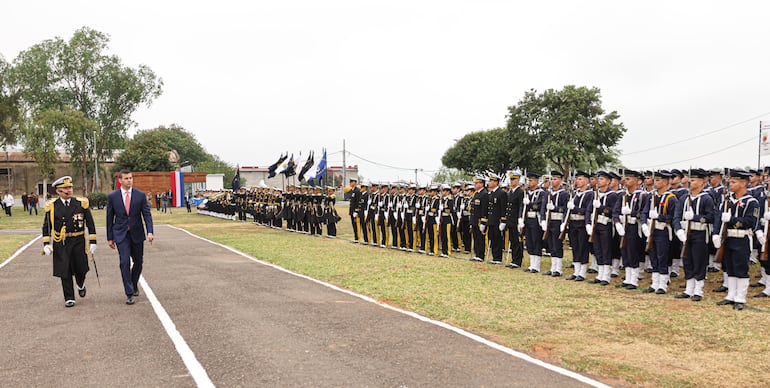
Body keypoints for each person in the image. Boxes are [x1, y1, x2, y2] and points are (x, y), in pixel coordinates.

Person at [41, 176, 97, 307]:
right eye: (65, 188)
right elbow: (46, 226)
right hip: (61, 242)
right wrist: (46, 244)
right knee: (64, 269)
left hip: (78, 240)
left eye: (70, 187)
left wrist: (93, 241)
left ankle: (80, 283)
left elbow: (90, 223)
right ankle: (69, 297)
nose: (69, 190)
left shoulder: (80, 203)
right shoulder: (52, 206)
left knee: (81, 268)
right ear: (59, 191)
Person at [106, 170, 155, 305]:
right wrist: (110, 237)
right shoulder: (113, 197)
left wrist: (150, 231)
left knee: (138, 262)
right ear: (120, 180)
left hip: (137, 233)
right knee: (124, 262)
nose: (129, 180)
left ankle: (133, 284)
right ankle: (129, 293)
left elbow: (147, 215)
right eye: (126, 178)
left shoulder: (140, 195)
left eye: (131, 178)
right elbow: (109, 218)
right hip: (121, 234)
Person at [713, 169, 757, 310]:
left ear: (743, 183)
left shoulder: (752, 202)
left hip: (741, 238)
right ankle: (731, 296)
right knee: (730, 267)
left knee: (740, 268)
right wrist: (716, 234)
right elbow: (718, 219)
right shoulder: (727, 200)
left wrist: (732, 219)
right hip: (728, 238)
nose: (730, 184)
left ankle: (740, 298)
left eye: (733, 182)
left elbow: (751, 222)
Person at [674, 168, 714, 301]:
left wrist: (695, 217)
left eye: (694, 180)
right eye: (690, 179)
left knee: (699, 261)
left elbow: (710, 217)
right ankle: (688, 288)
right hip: (685, 233)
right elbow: (677, 215)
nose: (691, 182)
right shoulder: (684, 198)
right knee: (687, 260)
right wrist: (678, 229)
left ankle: (698, 290)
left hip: (700, 233)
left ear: (702, 182)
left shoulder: (706, 198)